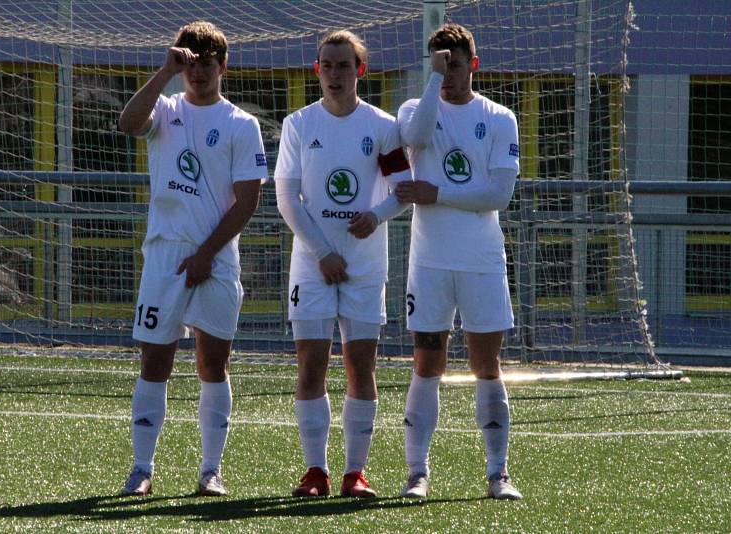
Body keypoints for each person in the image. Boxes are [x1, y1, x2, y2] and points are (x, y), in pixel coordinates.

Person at [117, 21, 267, 497]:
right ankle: (141, 469)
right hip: (164, 257)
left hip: (217, 261)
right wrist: (164, 72)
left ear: (223, 66)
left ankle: (210, 470)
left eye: (207, 63)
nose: (198, 71)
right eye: (191, 62)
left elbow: (247, 201)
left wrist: (206, 253)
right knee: (154, 362)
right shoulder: (164, 109)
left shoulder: (242, 124)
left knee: (212, 364)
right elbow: (127, 123)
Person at [274, 30, 410, 499]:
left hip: (365, 265)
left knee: (360, 366)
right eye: (327, 66)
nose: (334, 74)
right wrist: (322, 252)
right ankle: (316, 472)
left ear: (360, 71)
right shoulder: (298, 124)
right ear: (317, 71)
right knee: (311, 365)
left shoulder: (383, 126)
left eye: (343, 66)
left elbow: (403, 191)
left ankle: (356, 473)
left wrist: (375, 216)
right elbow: (287, 198)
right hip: (312, 264)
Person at [395, 23, 522, 500]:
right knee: (426, 362)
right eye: (439, 61)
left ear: (474, 63)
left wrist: (437, 193)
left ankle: (497, 473)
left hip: (482, 262)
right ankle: (417, 473)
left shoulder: (500, 117)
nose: (448, 70)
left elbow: (498, 194)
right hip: (429, 262)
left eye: (455, 61)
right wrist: (433, 80)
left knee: (486, 364)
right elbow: (419, 136)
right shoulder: (415, 107)